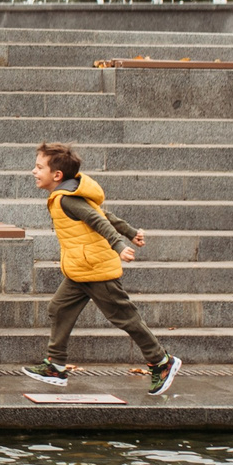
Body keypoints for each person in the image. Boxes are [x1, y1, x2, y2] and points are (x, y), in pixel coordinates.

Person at [25, 141, 183, 396]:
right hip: (81, 270)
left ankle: (162, 362)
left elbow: (99, 220)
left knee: (124, 316)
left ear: (57, 175)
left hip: (96, 269)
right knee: (59, 308)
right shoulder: (65, 196)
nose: (34, 171)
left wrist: (120, 245)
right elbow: (104, 214)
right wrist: (131, 232)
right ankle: (55, 366)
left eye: (38, 167)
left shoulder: (67, 200)